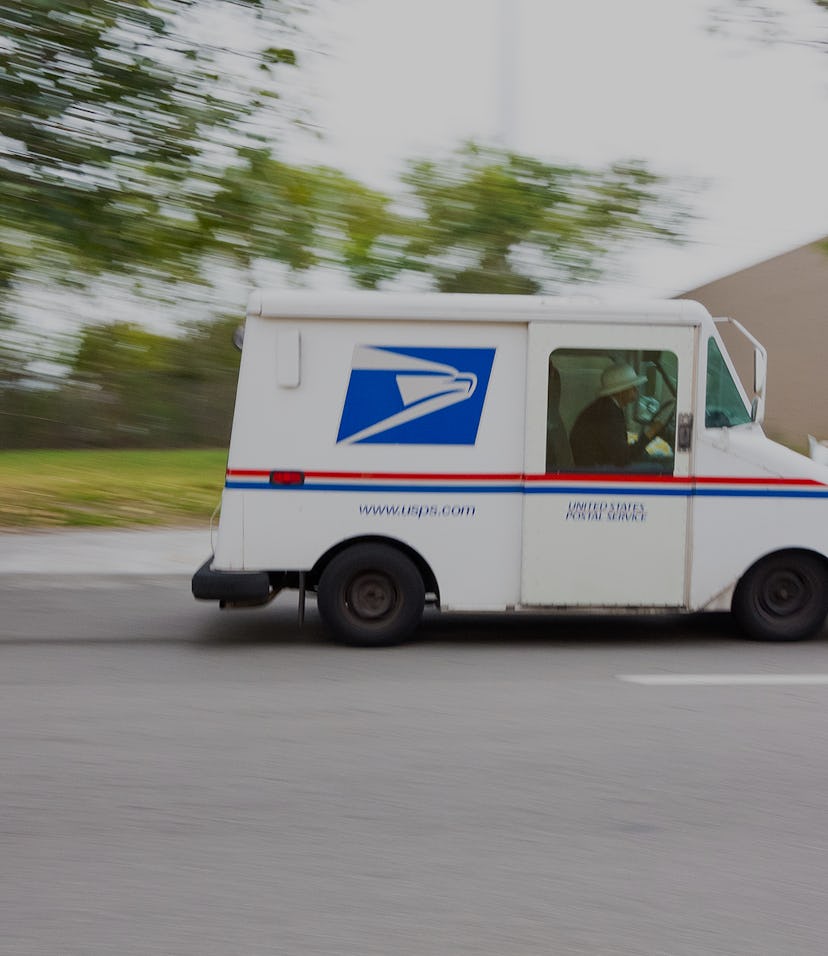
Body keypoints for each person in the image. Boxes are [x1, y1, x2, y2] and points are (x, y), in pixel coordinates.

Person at [569, 363, 666, 469]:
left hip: (600, 464)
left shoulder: (606, 407)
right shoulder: (607, 414)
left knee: (657, 459)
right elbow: (623, 458)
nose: (636, 391)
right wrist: (650, 433)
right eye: (633, 387)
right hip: (599, 470)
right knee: (659, 468)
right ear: (621, 391)